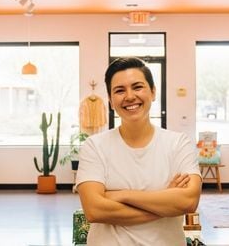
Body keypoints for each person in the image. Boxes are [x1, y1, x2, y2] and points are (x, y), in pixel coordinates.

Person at [76, 57, 202, 245]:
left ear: (153, 92)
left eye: (137, 87)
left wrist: (121, 195)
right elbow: (94, 210)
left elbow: (188, 202)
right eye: (119, 90)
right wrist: (165, 200)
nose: (129, 96)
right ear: (111, 101)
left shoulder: (178, 143)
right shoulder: (94, 146)